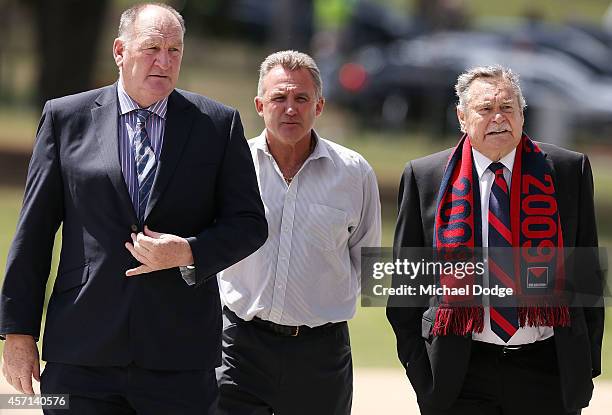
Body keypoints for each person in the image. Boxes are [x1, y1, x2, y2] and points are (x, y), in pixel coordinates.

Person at [0, 3, 267, 414]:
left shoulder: (218, 124)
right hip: (81, 350)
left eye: (174, 50)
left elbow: (250, 224)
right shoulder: (65, 118)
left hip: (179, 355)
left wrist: (189, 252)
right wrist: (19, 333)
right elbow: (33, 232)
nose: (164, 61)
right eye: (152, 48)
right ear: (120, 50)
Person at [387, 65, 603, 415]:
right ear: (462, 117)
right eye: (485, 109)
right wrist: (420, 371)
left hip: (547, 370)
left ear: (522, 113)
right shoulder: (424, 176)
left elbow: (588, 279)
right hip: (458, 373)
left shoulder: (567, 170)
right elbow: (404, 290)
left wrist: (586, 365)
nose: (498, 118)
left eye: (507, 107)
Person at [216, 50, 381, 415]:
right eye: (279, 98)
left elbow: (367, 264)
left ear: (319, 106)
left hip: (320, 354)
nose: (290, 108)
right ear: (260, 104)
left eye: (301, 98)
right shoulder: (231, 166)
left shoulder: (355, 174)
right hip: (238, 348)